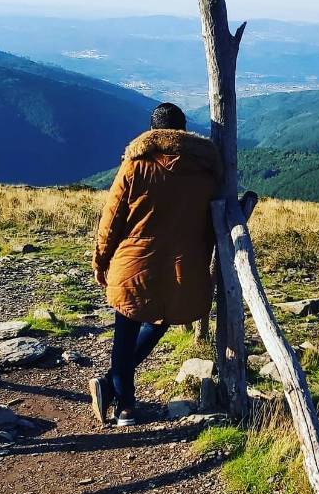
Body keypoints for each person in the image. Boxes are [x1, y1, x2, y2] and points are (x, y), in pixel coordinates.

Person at [89, 102, 221, 427]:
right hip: (181, 270)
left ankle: (124, 405)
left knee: (125, 331)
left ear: (153, 131)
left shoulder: (135, 167)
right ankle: (113, 388)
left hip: (133, 264)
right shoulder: (206, 173)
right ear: (183, 131)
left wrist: (100, 260)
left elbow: (111, 218)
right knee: (158, 321)